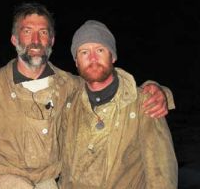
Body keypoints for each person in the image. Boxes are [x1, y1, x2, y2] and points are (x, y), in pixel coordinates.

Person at [0, 2, 175, 189]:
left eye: (43, 33)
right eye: (27, 32)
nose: (36, 41)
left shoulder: (69, 86)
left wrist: (157, 90)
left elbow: (106, 86)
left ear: (52, 41)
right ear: (15, 40)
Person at [58, 20, 178, 189]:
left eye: (100, 50)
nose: (92, 58)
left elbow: (161, 174)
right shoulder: (69, 106)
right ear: (76, 61)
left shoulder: (144, 102)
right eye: (84, 52)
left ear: (112, 56)